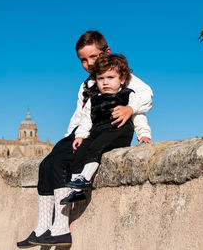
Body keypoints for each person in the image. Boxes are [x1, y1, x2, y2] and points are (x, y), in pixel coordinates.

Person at [16, 31, 153, 248]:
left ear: (106, 52)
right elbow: (79, 115)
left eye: (93, 57)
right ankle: (43, 226)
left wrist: (130, 109)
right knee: (47, 163)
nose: (89, 64)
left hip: (102, 132)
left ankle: (60, 228)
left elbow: (146, 95)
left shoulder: (119, 74)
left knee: (61, 162)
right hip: (83, 130)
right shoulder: (86, 85)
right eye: (83, 60)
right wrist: (68, 139)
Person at [60, 53, 152, 205]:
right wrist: (80, 136)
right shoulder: (93, 99)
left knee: (97, 146)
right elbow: (86, 120)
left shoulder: (127, 96)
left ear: (122, 79)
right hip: (98, 131)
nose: (105, 82)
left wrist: (143, 135)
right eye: (101, 78)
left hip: (118, 131)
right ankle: (76, 189)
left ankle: (85, 178)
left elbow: (139, 117)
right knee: (81, 151)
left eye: (110, 78)